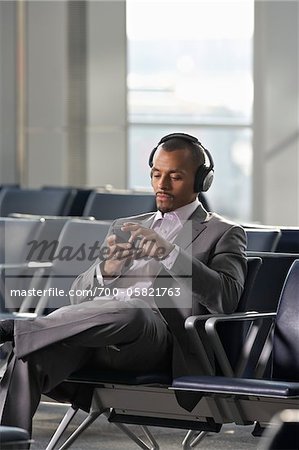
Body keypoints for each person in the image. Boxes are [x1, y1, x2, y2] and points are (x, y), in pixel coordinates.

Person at [0, 133, 247, 437]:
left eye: (176, 176)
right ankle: (10, 443)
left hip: (159, 339)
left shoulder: (223, 232)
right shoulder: (127, 225)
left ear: (201, 181)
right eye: (156, 174)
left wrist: (171, 254)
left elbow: (226, 298)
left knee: (132, 310)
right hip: (96, 334)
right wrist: (106, 270)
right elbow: (79, 296)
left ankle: (15, 328)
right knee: (31, 353)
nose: (162, 184)